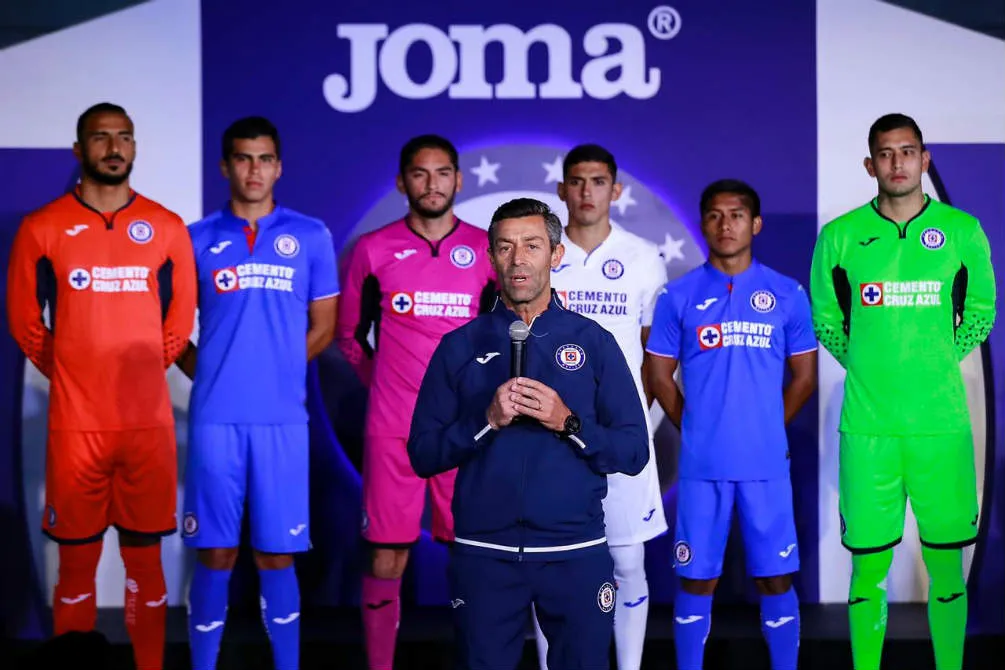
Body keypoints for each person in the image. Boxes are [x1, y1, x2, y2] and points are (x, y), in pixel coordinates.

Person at [408, 197, 650, 670]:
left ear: (555, 256)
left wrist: (570, 423)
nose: (518, 259)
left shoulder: (595, 342)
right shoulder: (459, 346)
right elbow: (422, 454)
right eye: (505, 247)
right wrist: (485, 421)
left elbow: (634, 450)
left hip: (574, 554)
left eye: (532, 246)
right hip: (485, 556)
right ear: (491, 256)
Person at [6, 102, 197, 670]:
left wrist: (140, 371)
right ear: (79, 150)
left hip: (147, 427)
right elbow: (24, 322)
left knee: (145, 563)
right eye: (100, 138)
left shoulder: (165, 227)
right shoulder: (42, 228)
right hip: (76, 429)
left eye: (124, 138)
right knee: (76, 564)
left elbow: (178, 321)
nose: (114, 148)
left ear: (135, 148)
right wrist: (71, 370)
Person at [809, 113, 996, 670]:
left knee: (945, 567)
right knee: (869, 569)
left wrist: (937, 358)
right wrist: (868, 365)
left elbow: (981, 312)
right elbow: (826, 322)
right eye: (885, 154)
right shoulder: (840, 236)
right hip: (869, 430)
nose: (897, 163)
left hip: (941, 427)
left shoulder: (962, 230)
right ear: (870, 164)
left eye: (907, 151)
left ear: (925, 159)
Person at [175, 116, 339, 670]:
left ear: (279, 166)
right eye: (243, 158)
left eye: (264, 158)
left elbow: (324, 326)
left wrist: (276, 372)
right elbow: (170, 329)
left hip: (282, 423)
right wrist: (216, 371)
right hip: (215, 421)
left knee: (276, 554)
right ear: (225, 166)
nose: (254, 169)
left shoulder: (311, 235)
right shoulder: (194, 238)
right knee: (214, 552)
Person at [335, 134, 496, 670]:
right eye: (420, 174)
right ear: (402, 182)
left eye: (443, 172)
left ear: (459, 179)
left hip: (466, 430)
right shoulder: (373, 250)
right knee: (386, 555)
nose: (432, 184)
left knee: (472, 553)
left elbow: (505, 337)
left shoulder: (486, 251)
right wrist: (388, 386)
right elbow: (351, 340)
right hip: (393, 429)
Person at [645, 179, 818, 670]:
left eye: (737, 214)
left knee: (775, 579)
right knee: (697, 579)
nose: (726, 224)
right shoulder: (677, 296)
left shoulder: (787, 293)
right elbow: (657, 374)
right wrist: (695, 427)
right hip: (703, 467)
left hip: (766, 463)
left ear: (755, 223)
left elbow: (804, 376)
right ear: (703, 224)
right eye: (716, 215)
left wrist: (768, 424)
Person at [539, 143, 668, 670]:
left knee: (627, 558)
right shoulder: (541, 254)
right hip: (547, 435)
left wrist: (639, 428)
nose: (587, 191)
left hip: (616, 434)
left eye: (598, 182)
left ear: (615, 190)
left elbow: (655, 359)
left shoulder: (643, 258)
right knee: (550, 566)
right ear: (561, 189)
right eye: (577, 181)